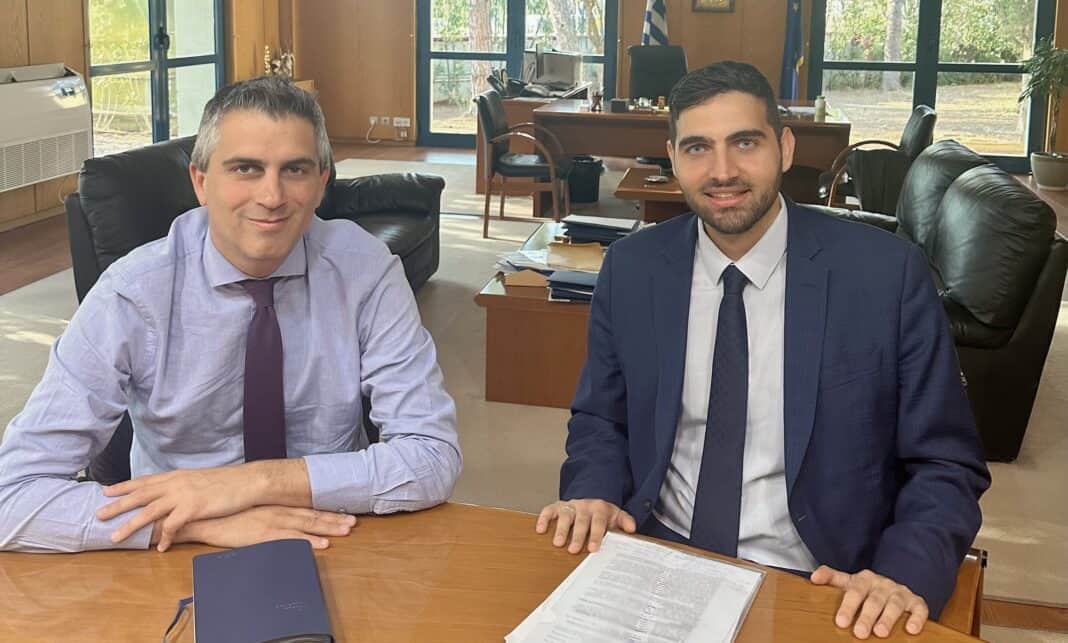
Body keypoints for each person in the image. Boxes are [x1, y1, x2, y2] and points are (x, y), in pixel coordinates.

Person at [535, 62, 989, 639]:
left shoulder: (885, 276)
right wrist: (593, 492)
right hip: (656, 554)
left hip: (821, 578)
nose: (722, 171)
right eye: (698, 148)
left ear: (785, 148)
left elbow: (945, 462)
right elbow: (601, 417)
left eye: (745, 143)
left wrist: (903, 572)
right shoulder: (632, 268)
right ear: (672, 157)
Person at [0, 76, 461, 554]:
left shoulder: (366, 271)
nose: (272, 196)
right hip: (172, 546)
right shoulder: (132, 294)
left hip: (332, 530)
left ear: (322, 183)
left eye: (295, 170)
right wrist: (197, 523)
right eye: (245, 168)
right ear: (201, 182)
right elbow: (10, 495)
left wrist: (248, 484)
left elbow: (433, 456)